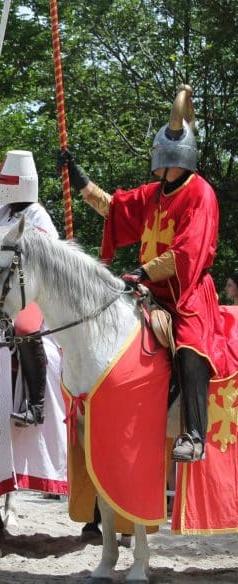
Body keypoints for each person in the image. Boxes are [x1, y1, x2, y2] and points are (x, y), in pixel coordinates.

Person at [56, 84, 238, 462]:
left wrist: (142, 270)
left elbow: (187, 251)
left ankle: (194, 434)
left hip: (187, 293)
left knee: (190, 348)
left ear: (180, 158)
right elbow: (115, 208)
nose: (159, 167)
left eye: (165, 160)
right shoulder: (155, 194)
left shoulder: (201, 194)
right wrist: (80, 179)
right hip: (149, 289)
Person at [0, 150, 58, 426]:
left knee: (26, 330)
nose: (1, 187)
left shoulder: (37, 215)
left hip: (28, 292)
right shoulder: (2, 213)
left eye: (5, 181)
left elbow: (43, 259)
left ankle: (36, 405)